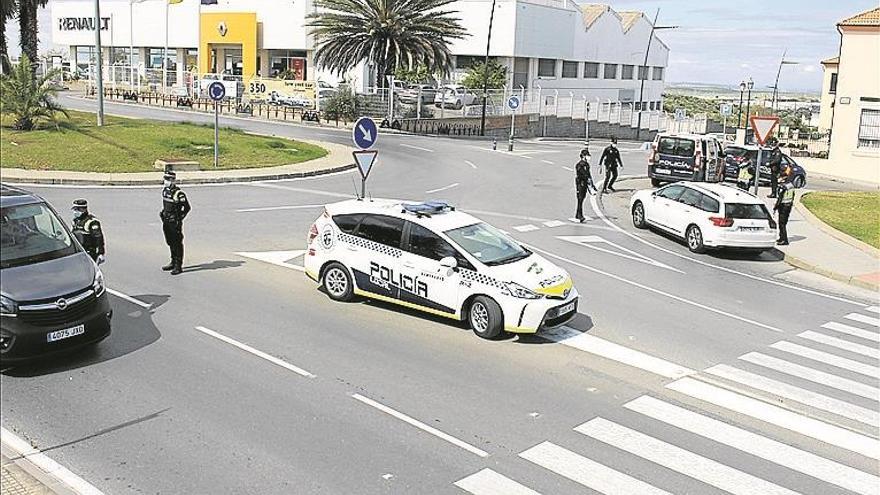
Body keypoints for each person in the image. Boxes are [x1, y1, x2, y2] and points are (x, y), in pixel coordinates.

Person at [160, 171, 191, 275]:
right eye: (166, 179)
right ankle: (172, 261)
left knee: (177, 243)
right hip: (166, 221)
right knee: (169, 242)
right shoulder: (165, 191)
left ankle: (178, 265)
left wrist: (179, 218)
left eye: (169, 179)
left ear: (173, 180)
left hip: (174, 222)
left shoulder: (179, 193)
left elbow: (187, 208)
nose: (166, 181)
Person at [71, 199, 105, 264]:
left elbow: (98, 238)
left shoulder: (92, 222)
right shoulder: (76, 221)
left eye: (77, 209)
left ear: (83, 209)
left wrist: (101, 253)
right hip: (78, 252)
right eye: (74, 209)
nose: (75, 212)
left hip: (89, 253)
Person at [773, 168, 795, 245]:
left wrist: (776, 206)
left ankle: (784, 240)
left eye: (780, 177)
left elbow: (780, 198)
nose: (779, 179)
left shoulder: (784, 186)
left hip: (784, 206)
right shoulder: (790, 185)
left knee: (782, 223)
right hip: (788, 205)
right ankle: (781, 238)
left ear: (783, 177)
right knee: (782, 223)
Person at [574, 148, 596, 222]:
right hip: (580, 183)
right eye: (587, 155)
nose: (588, 157)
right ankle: (580, 215)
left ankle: (577, 214)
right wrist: (586, 179)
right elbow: (580, 175)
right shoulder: (579, 165)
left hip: (585, 183)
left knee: (582, 199)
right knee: (580, 199)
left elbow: (589, 175)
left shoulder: (587, 165)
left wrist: (592, 185)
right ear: (583, 156)